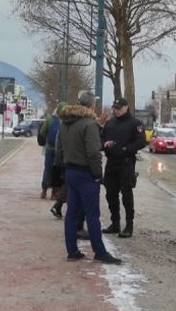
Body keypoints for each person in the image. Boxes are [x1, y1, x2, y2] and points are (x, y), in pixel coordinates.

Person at [57, 90, 121, 264]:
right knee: (92, 215)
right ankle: (99, 252)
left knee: (71, 213)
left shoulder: (65, 122)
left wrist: (66, 166)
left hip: (71, 172)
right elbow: (93, 152)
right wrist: (97, 174)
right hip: (86, 174)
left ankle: (72, 250)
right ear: (92, 105)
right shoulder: (88, 123)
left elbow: (60, 149)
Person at [100, 98, 147, 238]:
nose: (117, 110)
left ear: (126, 107)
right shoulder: (110, 123)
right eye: (115, 108)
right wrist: (104, 145)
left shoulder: (134, 123)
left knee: (126, 195)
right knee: (110, 194)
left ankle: (129, 226)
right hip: (111, 162)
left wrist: (126, 149)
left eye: (119, 108)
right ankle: (115, 223)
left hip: (126, 162)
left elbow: (141, 141)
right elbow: (101, 138)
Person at [50, 128, 90, 240]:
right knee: (71, 186)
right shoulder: (74, 126)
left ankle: (58, 205)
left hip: (63, 159)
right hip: (69, 161)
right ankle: (77, 227)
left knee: (68, 183)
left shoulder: (65, 125)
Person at [39, 102, 67, 200]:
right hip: (60, 150)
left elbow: (42, 131)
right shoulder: (66, 121)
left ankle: (44, 190)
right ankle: (54, 193)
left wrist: (48, 140)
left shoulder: (50, 119)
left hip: (49, 148)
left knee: (47, 169)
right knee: (57, 171)